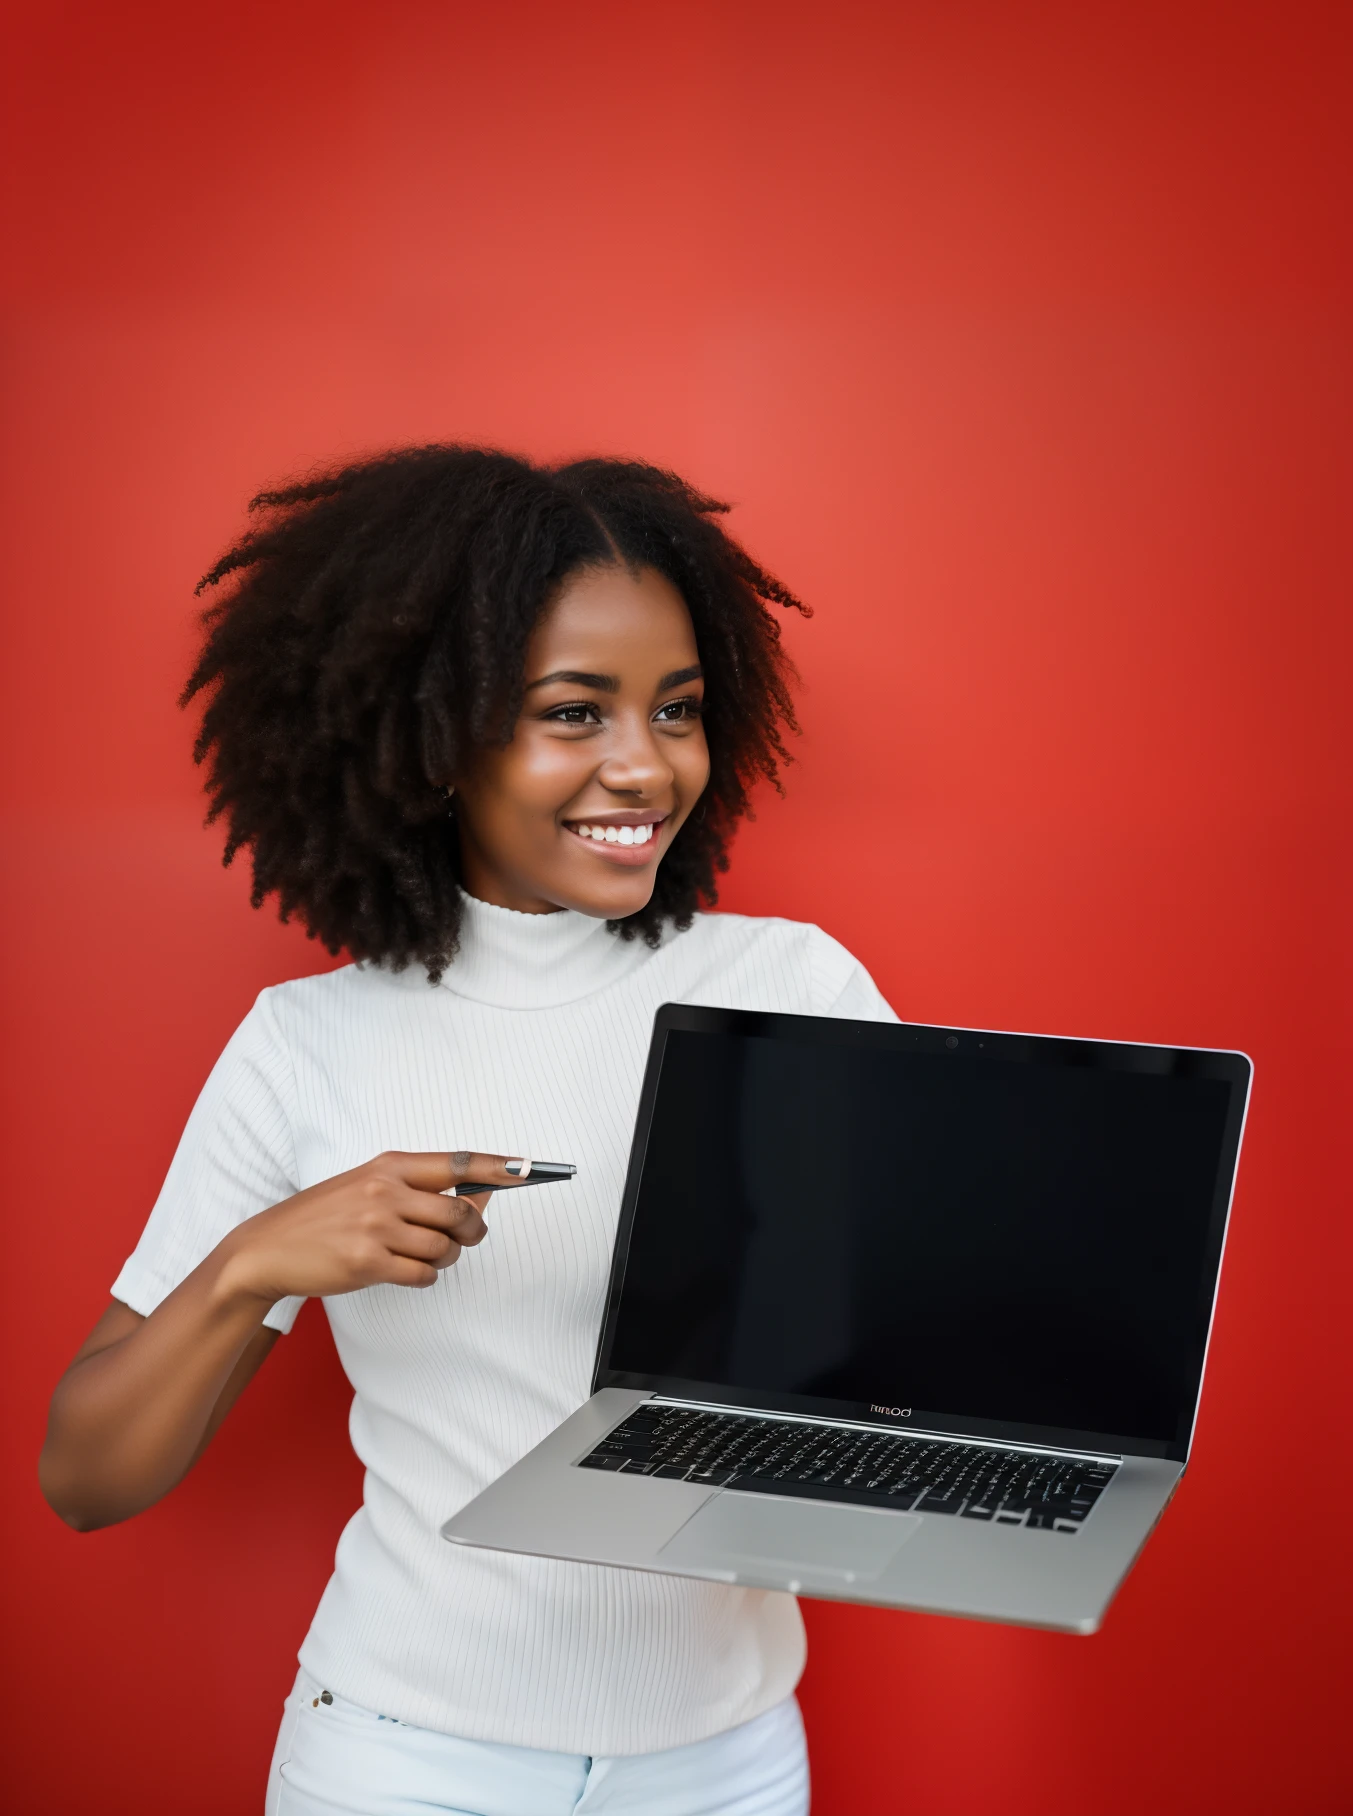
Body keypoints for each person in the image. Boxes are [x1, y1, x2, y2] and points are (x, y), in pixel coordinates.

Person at [40, 446, 895, 1816]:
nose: (645, 765)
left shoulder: (794, 992)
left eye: (677, 709)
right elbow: (86, 1478)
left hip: (723, 1763)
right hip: (403, 1757)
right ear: (438, 738)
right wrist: (259, 1259)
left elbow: (911, 1352)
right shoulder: (309, 1044)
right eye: (574, 713)